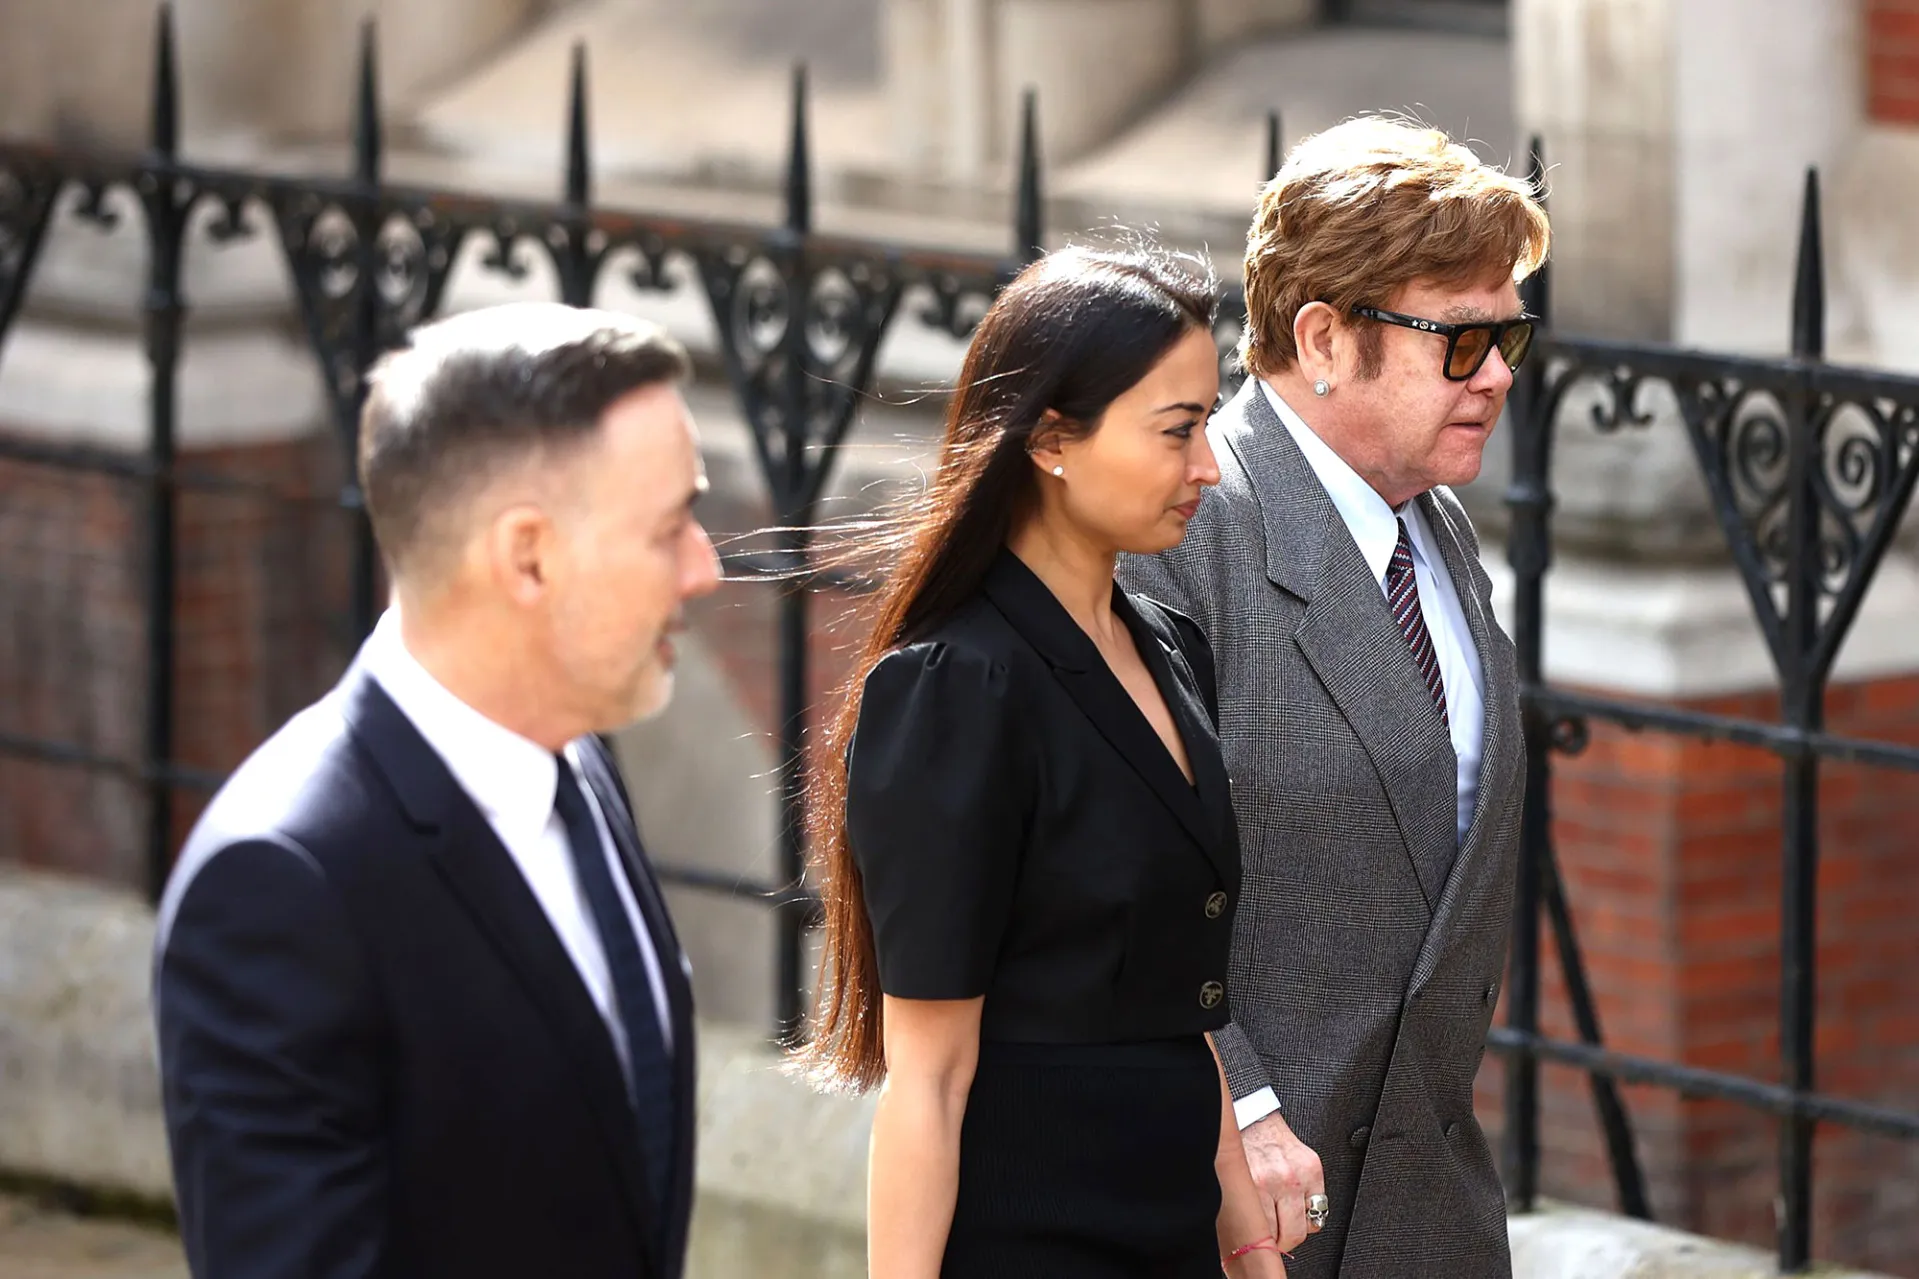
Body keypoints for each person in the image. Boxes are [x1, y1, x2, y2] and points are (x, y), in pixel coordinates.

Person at [151, 302, 720, 1279]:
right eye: (668, 528)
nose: (703, 568)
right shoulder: (278, 889)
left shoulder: (580, 757)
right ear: (527, 556)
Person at [796, 244, 1284, 1278]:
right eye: (1178, 430)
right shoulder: (955, 688)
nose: (1207, 466)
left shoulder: (1167, 646)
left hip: (1170, 1234)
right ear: (1051, 438)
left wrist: (1247, 1247)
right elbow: (927, 1081)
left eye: (1207, 425)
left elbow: (1178, 1006)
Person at [1118, 117, 1551, 1279]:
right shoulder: (1186, 529)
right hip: (1242, 1213)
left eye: (1508, 335)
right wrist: (1242, 1105)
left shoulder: (1437, 529)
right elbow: (1107, 881)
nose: (1498, 373)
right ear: (1320, 337)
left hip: (1424, 1220)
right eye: (1459, 340)